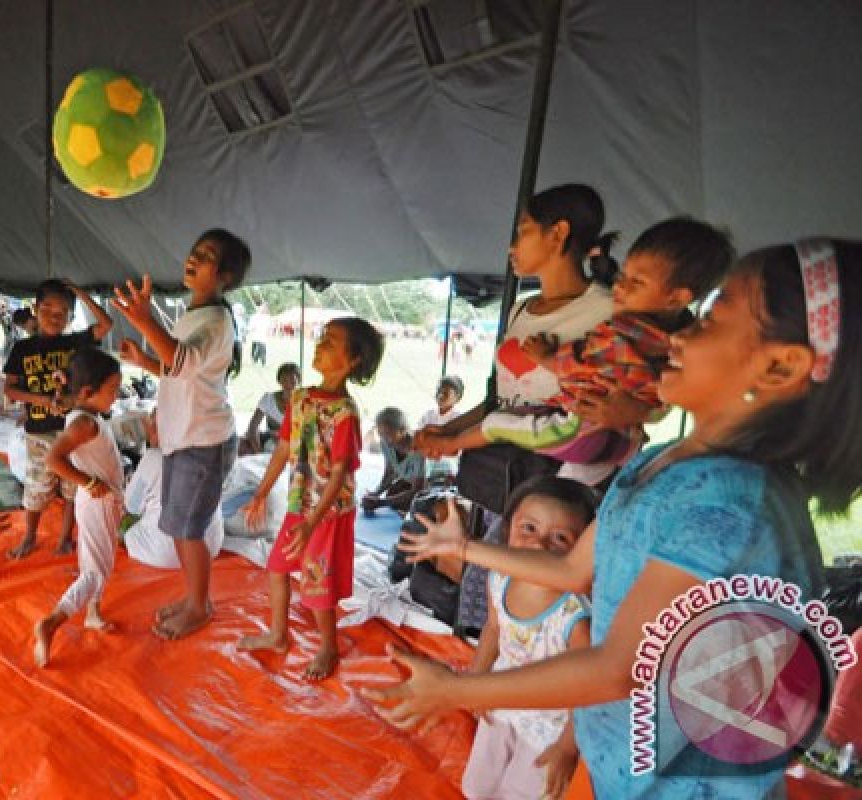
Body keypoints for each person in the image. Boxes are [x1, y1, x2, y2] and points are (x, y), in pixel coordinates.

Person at [367, 239, 862, 798]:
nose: (678, 334)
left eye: (713, 320)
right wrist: (464, 550)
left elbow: (616, 668)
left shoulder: (728, 504)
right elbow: (578, 568)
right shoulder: (661, 462)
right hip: (619, 762)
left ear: (778, 366)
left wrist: (457, 691)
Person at [453, 218, 734, 466]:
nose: (620, 287)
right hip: (608, 441)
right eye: (623, 276)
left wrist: (545, 358)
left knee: (498, 425)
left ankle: (450, 446)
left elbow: (583, 364)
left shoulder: (614, 319)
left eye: (524, 231)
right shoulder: (679, 336)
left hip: (579, 431)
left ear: (559, 233)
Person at [415, 184, 634, 487]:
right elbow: (504, 400)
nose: (512, 247)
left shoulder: (608, 311)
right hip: (506, 472)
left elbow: (632, 397)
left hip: (569, 478)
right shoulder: (520, 311)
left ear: (558, 234)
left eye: (523, 232)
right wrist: (450, 429)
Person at [113, 228, 250, 640]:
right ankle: (195, 599)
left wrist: (144, 321)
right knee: (176, 525)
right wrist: (146, 360)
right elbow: (180, 371)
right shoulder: (194, 315)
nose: (194, 257)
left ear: (224, 275)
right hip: (181, 438)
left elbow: (182, 358)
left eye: (206, 255)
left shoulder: (217, 319)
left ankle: (199, 605)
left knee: (189, 528)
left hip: (203, 442)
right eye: (195, 250)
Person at [237, 317, 384, 679]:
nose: (320, 344)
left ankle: (328, 647)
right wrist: (261, 493)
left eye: (331, 342)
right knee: (277, 568)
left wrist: (312, 523)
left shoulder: (345, 414)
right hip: (298, 506)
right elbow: (284, 447)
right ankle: (277, 635)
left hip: (327, 513)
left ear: (353, 361)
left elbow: (339, 474)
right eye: (322, 337)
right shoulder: (300, 398)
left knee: (317, 585)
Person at [461, 476, 597, 800]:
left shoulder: (574, 617)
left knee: (520, 793)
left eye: (560, 537)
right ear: (508, 531)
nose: (539, 545)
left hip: (548, 727)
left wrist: (567, 746)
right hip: (502, 700)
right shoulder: (500, 580)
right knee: (480, 783)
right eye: (529, 529)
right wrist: (475, 678)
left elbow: (591, 686)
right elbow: (494, 630)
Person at [2, 279, 114, 559]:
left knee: (73, 489)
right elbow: (10, 390)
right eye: (48, 308)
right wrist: (41, 401)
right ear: (35, 310)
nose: (54, 316)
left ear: (70, 317)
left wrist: (79, 291)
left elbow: (105, 324)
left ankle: (64, 538)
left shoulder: (75, 343)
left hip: (72, 430)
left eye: (63, 311)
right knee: (37, 488)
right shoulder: (22, 349)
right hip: (39, 431)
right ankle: (29, 536)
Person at [33, 347, 126, 666]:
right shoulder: (84, 424)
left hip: (99, 499)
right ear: (89, 391)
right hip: (97, 499)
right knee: (96, 572)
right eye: (112, 389)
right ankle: (53, 621)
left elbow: (69, 403)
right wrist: (87, 481)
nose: (116, 395)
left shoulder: (85, 413)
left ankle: (93, 613)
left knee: (97, 560)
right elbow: (52, 459)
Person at [123, 411, 225, 570]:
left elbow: (131, 506)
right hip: (210, 547)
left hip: (165, 553)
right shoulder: (210, 454)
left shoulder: (154, 458)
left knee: (125, 527)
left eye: (152, 424)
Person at [360, 407, 425, 516]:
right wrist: (375, 494)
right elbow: (390, 472)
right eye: (380, 434)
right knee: (394, 493)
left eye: (388, 435)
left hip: (430, 486)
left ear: (403, 430)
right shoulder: (385, 443)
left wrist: (380, 503)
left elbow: (417, 490)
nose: (384, 439)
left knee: (419, 504)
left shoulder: (419, 449)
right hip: (413, 482)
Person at [242, 362, 301, 455]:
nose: (288, 384)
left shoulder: (306, 402)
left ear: (299, 381)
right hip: (271, 446)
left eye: (292, 380)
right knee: (242, 443)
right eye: (284, 380)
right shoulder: (268, 399)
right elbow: (253, 427)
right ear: (279, 381)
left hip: (296, 448)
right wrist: (259, 453)